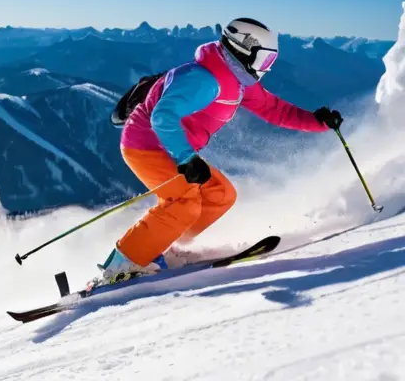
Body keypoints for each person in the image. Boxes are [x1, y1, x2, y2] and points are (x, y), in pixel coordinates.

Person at [100, 18, 343, 279]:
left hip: (173, 148)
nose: (266, 69)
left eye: (270, 62)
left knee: (220, 194)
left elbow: (273, 109)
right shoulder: (205, 80)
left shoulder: (237, 80)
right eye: (264, 61)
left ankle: (159, 247)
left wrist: (317, 122)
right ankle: (121, 267)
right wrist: (186, 158)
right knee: (184, 201)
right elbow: (163, 117)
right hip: (146, 145)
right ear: (243, 49)